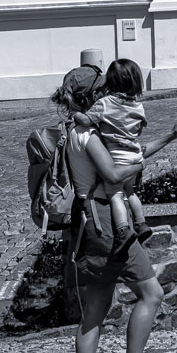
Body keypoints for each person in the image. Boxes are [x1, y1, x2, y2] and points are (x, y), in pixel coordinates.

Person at [50, 64, 177, 353]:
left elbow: (128, 155)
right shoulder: (90, 135)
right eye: (100, 88)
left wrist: (170, 137)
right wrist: (140, 165)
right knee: (152, 293)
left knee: (95, 309)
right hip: (107, 222)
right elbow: (117, 170)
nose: (105, 93)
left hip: (89, 221)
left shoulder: (74, 131)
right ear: (91, 95)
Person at [72, 58, 152, 256]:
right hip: (135, 154)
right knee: (130, 192)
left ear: (110, 83)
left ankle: (123, 231)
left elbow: (86, 119)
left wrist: (75, 114)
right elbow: (140, 129)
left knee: (116, 195)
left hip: (118, 157)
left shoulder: (105, 104)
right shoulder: (138, 107)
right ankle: (141, 224)